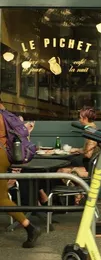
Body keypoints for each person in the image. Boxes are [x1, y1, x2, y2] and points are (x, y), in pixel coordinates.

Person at [0, 99, 40, 248]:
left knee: (2, 198)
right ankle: (30, 228)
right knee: (2, 197)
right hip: (4, 156)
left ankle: (30, 227)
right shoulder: (5, 113)